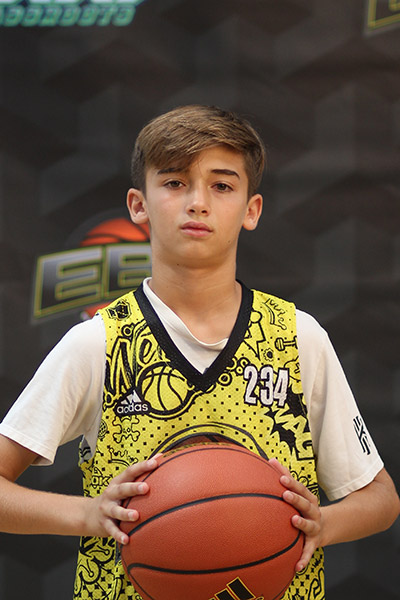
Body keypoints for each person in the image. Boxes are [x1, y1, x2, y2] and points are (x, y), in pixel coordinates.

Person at [0, 104, 398, 600]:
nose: (198, 203)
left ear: (251, 210)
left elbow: (381, 499)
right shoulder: (99, 342)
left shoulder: (298, 337)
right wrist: (86, 514)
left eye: (222, 185)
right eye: (174, 182)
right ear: (138, 205)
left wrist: (323, 524)